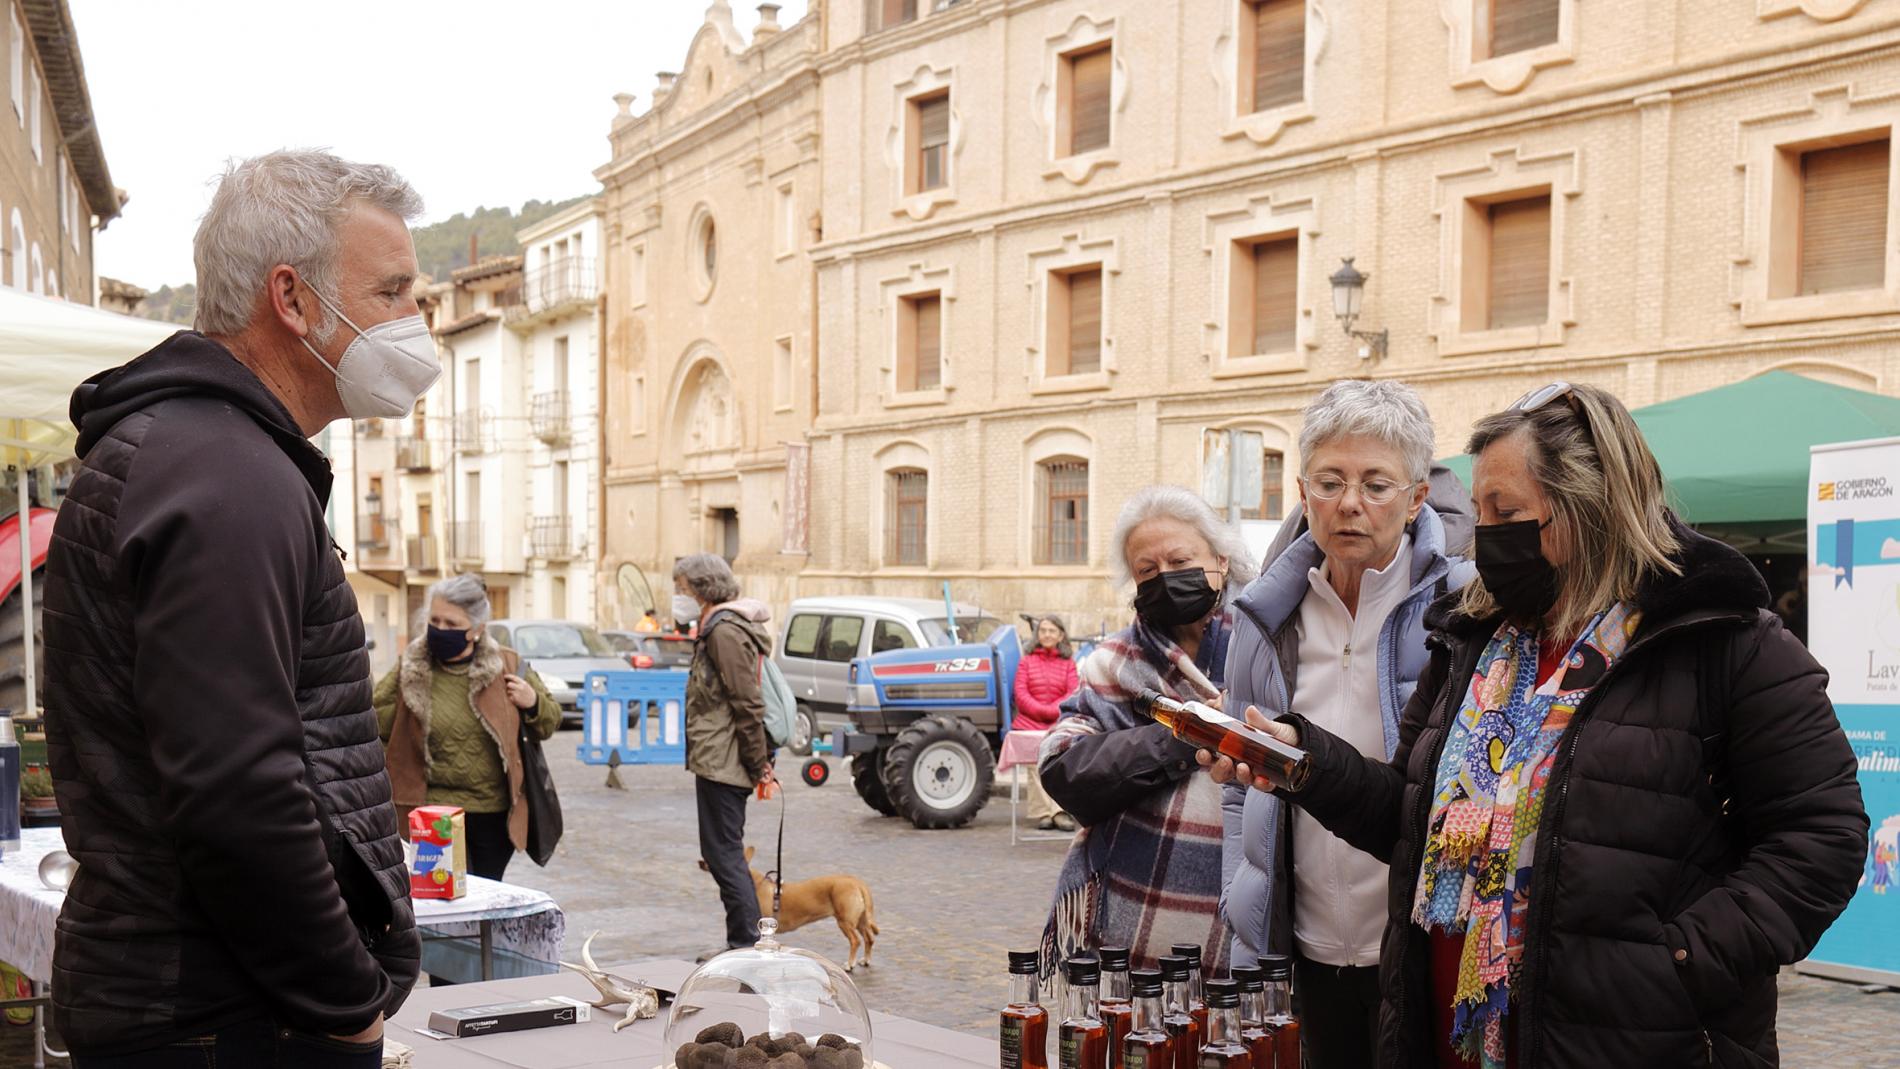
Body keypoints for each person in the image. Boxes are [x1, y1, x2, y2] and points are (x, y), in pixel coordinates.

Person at [1207, 383, 1867, 1068]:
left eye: (1506, 511)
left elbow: (1824, 835)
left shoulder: (1724, 640)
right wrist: (1302, 760)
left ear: (1588, 509)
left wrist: (1680, 960)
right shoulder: (1472, 640)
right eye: (1481, 508)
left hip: (1631, 1042)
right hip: (1450, 1039)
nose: (1484, 531)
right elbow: (1409, 818)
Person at [41, 150, 435, 1065]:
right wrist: (345, 1006)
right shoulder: (227, 473)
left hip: (198, 1003)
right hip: (223, 1017)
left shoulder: (205, 453)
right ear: (292, 299)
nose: (417, 322)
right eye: (394, 292)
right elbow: (237, 787)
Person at [1220, 380, 1475, 1069]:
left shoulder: (1467, 606)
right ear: (1303, 491)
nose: (1350, 503)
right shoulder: (1264, 615)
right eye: (1330, 481)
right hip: (1303, 948)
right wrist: (1241, 908)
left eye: (1376, 483)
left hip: (1418, 941)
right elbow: (1238, 792)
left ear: (1418, 496)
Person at [1038, 485, 1259, 975]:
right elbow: (1064, 768)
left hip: (1257, 924)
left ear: (1221, 560)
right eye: (1147, 570)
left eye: (1180, 560)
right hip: (1130, 928)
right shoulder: (1113, 664)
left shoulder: (1272, 648)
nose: (1166, 577)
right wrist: (1188, 730)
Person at [375, 573, 561, 882]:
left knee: (483, 899)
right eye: (435, 620)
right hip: (430, 813)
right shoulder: (410, 668)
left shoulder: (509, 666)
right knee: (441, 901)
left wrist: (533, 702)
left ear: (476, 629)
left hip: (492, 816)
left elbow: (550, 721)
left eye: (452, 624)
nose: (440, 630)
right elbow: (374, 725)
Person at [675, 553, 778, 955]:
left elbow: (746, 702)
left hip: (727, 760)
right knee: (720, 853)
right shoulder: (716, 627)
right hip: (719, 756)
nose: (677, 596)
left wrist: (759, 765)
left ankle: (747, 946)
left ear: (702, 589)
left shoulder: (723, 631)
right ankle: (743, 944)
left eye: (681, 589)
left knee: (724, 855)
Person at [1012, 615, 1081, 832]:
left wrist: (1053, 712)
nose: (1047, 635)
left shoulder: (1068, 663)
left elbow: (1072, 692)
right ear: (1037, 634)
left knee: (1060, 761)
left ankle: (1059, 811)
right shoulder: (1026, 661)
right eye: (1043, 630)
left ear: (1061, 635)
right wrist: (1042, 711)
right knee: (1034, 764)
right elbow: (1021, 693)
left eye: (1052, 631)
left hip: (1059, 722)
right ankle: (1043, 812)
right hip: (1029, 722)